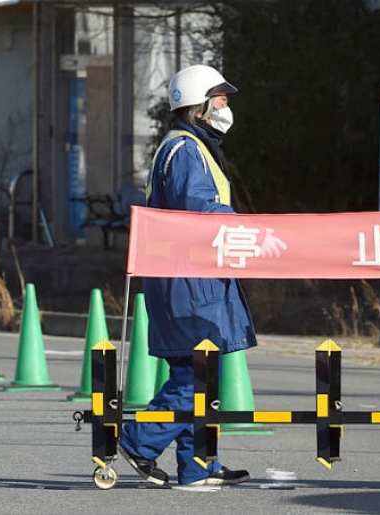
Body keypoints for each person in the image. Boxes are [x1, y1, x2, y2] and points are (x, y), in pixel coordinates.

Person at [119, 64, 256, 487]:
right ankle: (139, 441)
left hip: (191, 280)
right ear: (198, 107)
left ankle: (199, 466)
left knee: (200, 372)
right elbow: (198, 208)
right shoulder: (184, 150)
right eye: (220, 98)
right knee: (195, 373)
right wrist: (242, 225)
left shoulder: (189, 146)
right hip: (188, 282)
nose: (226, 106)